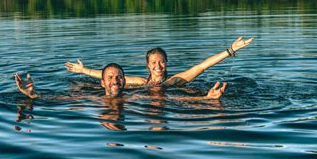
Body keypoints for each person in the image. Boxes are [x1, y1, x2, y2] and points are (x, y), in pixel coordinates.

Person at [64, 36, 254, 87]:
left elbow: (202, 66)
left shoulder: (175, 81)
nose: (158, 66)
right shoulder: (140, 83)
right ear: (148, 65)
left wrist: (230, 50)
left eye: (161, 62)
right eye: (154, 63)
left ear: (167, 63)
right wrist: (84, 71)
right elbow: (110, 77)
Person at [15, 63, 227, 100]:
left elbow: (178, 102)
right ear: (103, 83)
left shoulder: (136, 97)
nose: (115, 80)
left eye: (119, 77)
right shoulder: (93, 99)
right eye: (110, 78)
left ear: (125, 82)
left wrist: (206, 99)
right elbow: (56, 99)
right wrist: (31, 94)